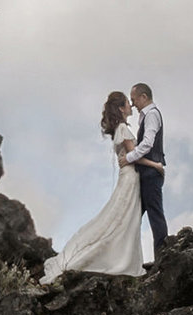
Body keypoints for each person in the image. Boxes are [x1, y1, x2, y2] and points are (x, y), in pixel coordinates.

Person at [42, 90, 146, 279]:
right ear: (122, 108)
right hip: (130, 177)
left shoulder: (119, 129)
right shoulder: (123, 129)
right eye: (127, 103)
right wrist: (156, 164)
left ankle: (117, 257)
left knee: (120, 217)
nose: (131, 105)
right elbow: (135, 156)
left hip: (127, 176)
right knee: (122, 218)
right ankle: (114, 260)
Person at [129, 81, 167, 260]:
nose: (133, 104)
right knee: (135, 216)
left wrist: (128, 158)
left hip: (151, 174)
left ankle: (162, 257)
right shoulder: (146, 116)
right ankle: (132, 257)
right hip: (147, 173)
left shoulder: (151, 115)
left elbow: (148, 144)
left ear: (144, 97)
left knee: (155, 214)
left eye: (134, 99)